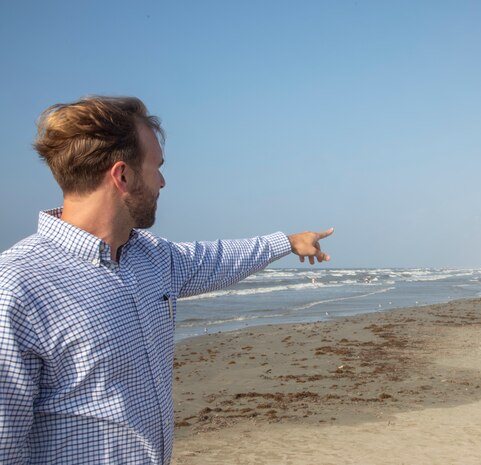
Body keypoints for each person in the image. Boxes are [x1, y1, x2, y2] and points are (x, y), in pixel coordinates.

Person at [0, 96, 332, 464]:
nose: (162, 181)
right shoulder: (18, 285)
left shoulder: (152, 257)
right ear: (122, 176)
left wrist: (287, 242)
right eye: (156, 167)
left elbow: (219, 257)